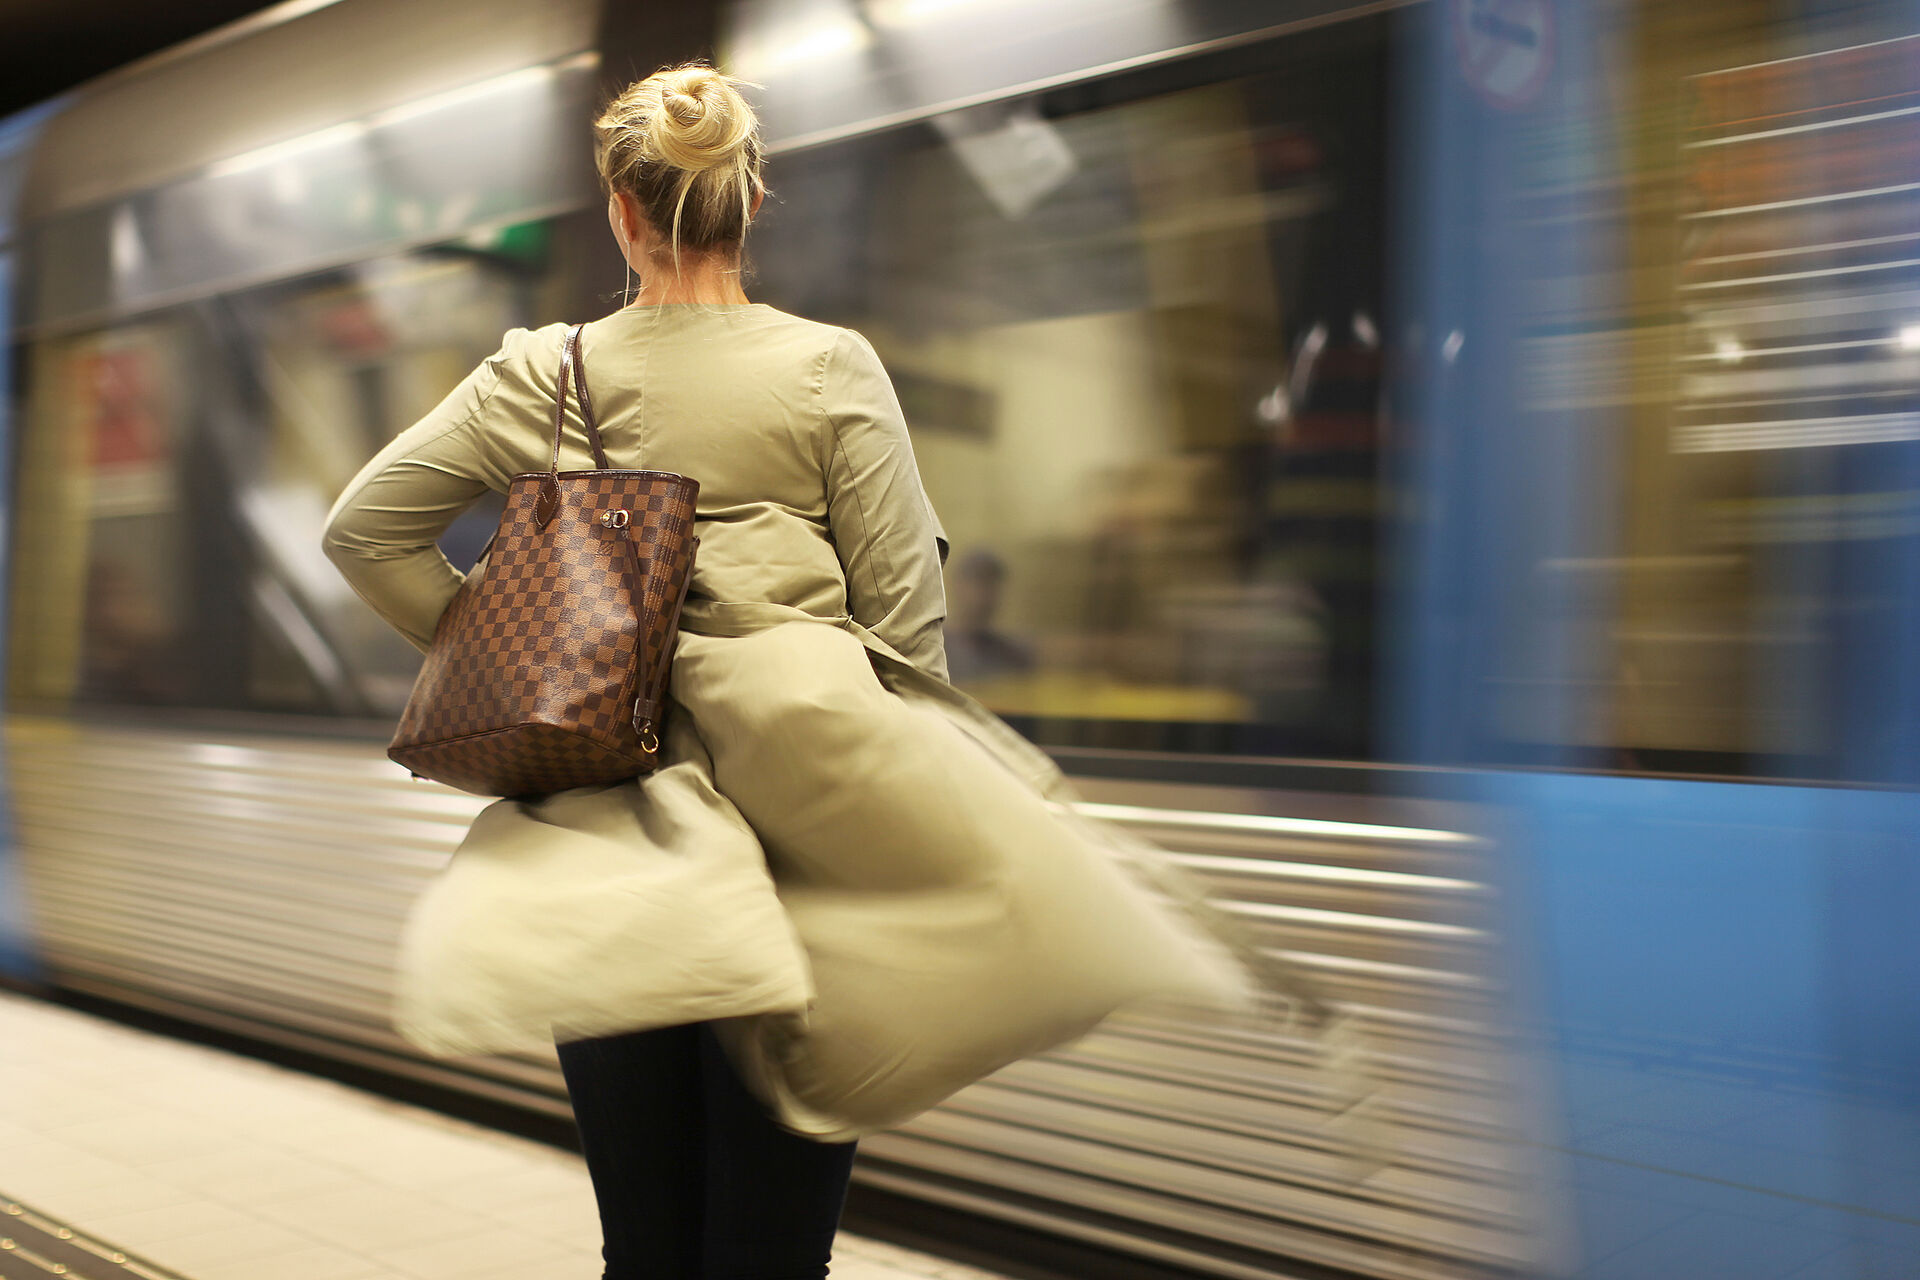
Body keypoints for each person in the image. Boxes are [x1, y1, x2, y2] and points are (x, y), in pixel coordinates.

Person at [324, 62, 1249, 1280]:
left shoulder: (542, 376)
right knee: (770, 1256)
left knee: (645, 1250)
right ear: (750, 203)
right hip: (804, 871)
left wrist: (519, 658)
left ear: (622, 210)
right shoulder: (828, 367)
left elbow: (364, 531)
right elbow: (908, 634)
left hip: (605, 853)